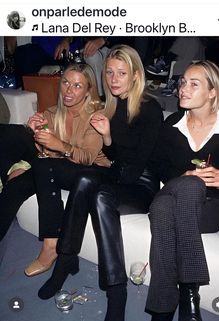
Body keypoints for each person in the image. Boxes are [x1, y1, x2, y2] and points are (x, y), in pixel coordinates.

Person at [35, 44, 164, 321]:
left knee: (101, 195)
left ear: (135, 76)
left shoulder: (150, 109)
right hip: (119, 173)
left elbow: (133, 168)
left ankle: (116, 289)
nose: (114, 79)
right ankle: (66, 258)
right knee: (84, 178)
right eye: (109, 73)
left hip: (142, 184)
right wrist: (107, 138)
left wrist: (108, 142)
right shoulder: (110, 106)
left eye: (121, 73)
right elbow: (113, 160)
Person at [145, 60, 219, 321]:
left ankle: (162, 309)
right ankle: (189, 294)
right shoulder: (172, 124)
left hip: (210, 208)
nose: (182, 88)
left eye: (193, 84)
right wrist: (182, 176)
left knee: (162, 209)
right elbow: (156, 165)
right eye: (183, 82)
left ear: (212, 93)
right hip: (171, 191)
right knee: (187, 184)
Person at [0, 63, 110, 247]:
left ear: (88, 91)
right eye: (66, 82)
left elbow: (88, 158)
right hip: (54, 167)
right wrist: (37, 134)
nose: (68, 90)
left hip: (89, 173)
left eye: (77, 86)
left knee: (18, 137)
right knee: (14, 188)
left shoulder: (96, 117)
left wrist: (57, 145)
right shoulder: (52, 112)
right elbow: (46, 153)